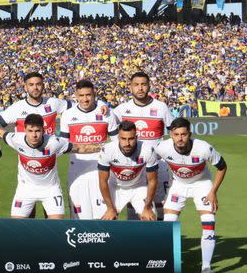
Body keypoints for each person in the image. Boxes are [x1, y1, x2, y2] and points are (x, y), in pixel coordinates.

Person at [154, 117, 228, 273]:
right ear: (171, 135)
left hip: (202, 184)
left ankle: (206, 268)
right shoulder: (162, 148)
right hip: (178, 185)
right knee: (169, 223)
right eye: (176, 134)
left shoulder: (203, 148)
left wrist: (213, 192)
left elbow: (222, 167)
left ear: (190, 134)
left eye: (184, 134)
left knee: (209, 223)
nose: (180, 138)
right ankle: (169, 264)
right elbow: (151, 165)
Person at [112, 71, 174, 220]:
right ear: (130, 87)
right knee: (133, 203)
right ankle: (135, 240)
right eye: (136, 85)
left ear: (149, 86)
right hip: (133, 166)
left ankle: (161, 238)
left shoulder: (161, 107)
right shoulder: (121, 109)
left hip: (158, 164)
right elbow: (107, 124)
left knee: (161, 204)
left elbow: (173, 131)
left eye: (143, 84)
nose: (140, 88)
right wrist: (102, 108)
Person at [59, 80, 118, 219]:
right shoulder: (68, 115)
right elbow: (64, 146)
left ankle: (105, 240)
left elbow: (116, 143)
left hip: (101, 170)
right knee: (79, 215)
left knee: (105, 213)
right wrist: (91, 148)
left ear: (94, 94)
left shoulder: (107, 114)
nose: (85, 99)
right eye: (82, 95)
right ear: (76, 96)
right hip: (77, 170)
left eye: (88, 95)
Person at [0, 114, 72, 219]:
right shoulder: (16, 139)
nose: (34, 135)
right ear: (25, 130)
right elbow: (1, 132)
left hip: (50, 189)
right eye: (30, 131)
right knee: (15, 228)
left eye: (37, 131)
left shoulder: (54, 142)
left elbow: (80, 148)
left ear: (43, 130)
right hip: (25, 189)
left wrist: (101, 149)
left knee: (56, 227)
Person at [97, 121, 159, 220]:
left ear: (136, 137)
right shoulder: (107, 150)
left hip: (139, 186)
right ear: (118, 138)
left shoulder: (147, 150)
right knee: (104, 219)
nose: (127, 143)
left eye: (131, 139)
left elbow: (152, 181)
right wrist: (109, 208)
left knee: (149, 219)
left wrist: (147, 207)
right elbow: (102, 181)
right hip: (115, 186)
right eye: (123, 139)